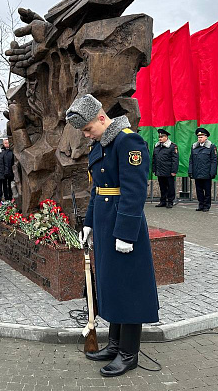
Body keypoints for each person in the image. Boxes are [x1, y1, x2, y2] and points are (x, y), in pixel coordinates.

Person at [66, 94, 158, 377]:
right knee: (112, 284)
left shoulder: (128, 141)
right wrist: (89, 223)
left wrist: (127, 233)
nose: (86, 135)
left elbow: (134, 191)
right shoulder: (101, 143)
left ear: (101, 118)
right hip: (106, 224)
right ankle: (115, 344)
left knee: (128, 287)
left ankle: (129, 353)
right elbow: (98, 188)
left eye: (87, 129)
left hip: (123, 224)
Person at [188, 127, 218, 212]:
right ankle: (200, 204)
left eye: (201, 137)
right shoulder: (194, 147)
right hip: (197, 172)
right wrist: (190, 171)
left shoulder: (211, 147)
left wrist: (212, 172)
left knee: (207, 190)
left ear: (206, 137)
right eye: (198, 137)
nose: (199, 139)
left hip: (206, 173)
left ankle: (206, 205)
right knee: (199, 190)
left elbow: (214, 160)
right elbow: (191, 160)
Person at [152, 129, 179, 208]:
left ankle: (170, 201)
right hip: (160, 170)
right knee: (162, 187)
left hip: (168, 171)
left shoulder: (172, 146)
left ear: (166, 137)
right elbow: (154, 159)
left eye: (162, 137)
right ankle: (163, 201)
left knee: (170, 187)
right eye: (159, 137)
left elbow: (175, 160)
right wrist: (154, 169)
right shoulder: (157, 146)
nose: (160, 138)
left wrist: (174, 171)